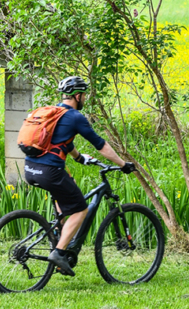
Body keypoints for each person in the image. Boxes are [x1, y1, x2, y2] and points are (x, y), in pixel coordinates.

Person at [23, 76, 129, 276]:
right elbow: (100, 145)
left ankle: (59, 234)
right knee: (81, 209)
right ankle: (59, 253)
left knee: (67, 185)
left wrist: (79, 158)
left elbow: (64, 142)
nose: (85, 98)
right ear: (78, 96)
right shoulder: (75, 117)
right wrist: (123, 164)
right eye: (84, 95)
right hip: (50, 172)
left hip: (30, 169)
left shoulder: (54, 114)